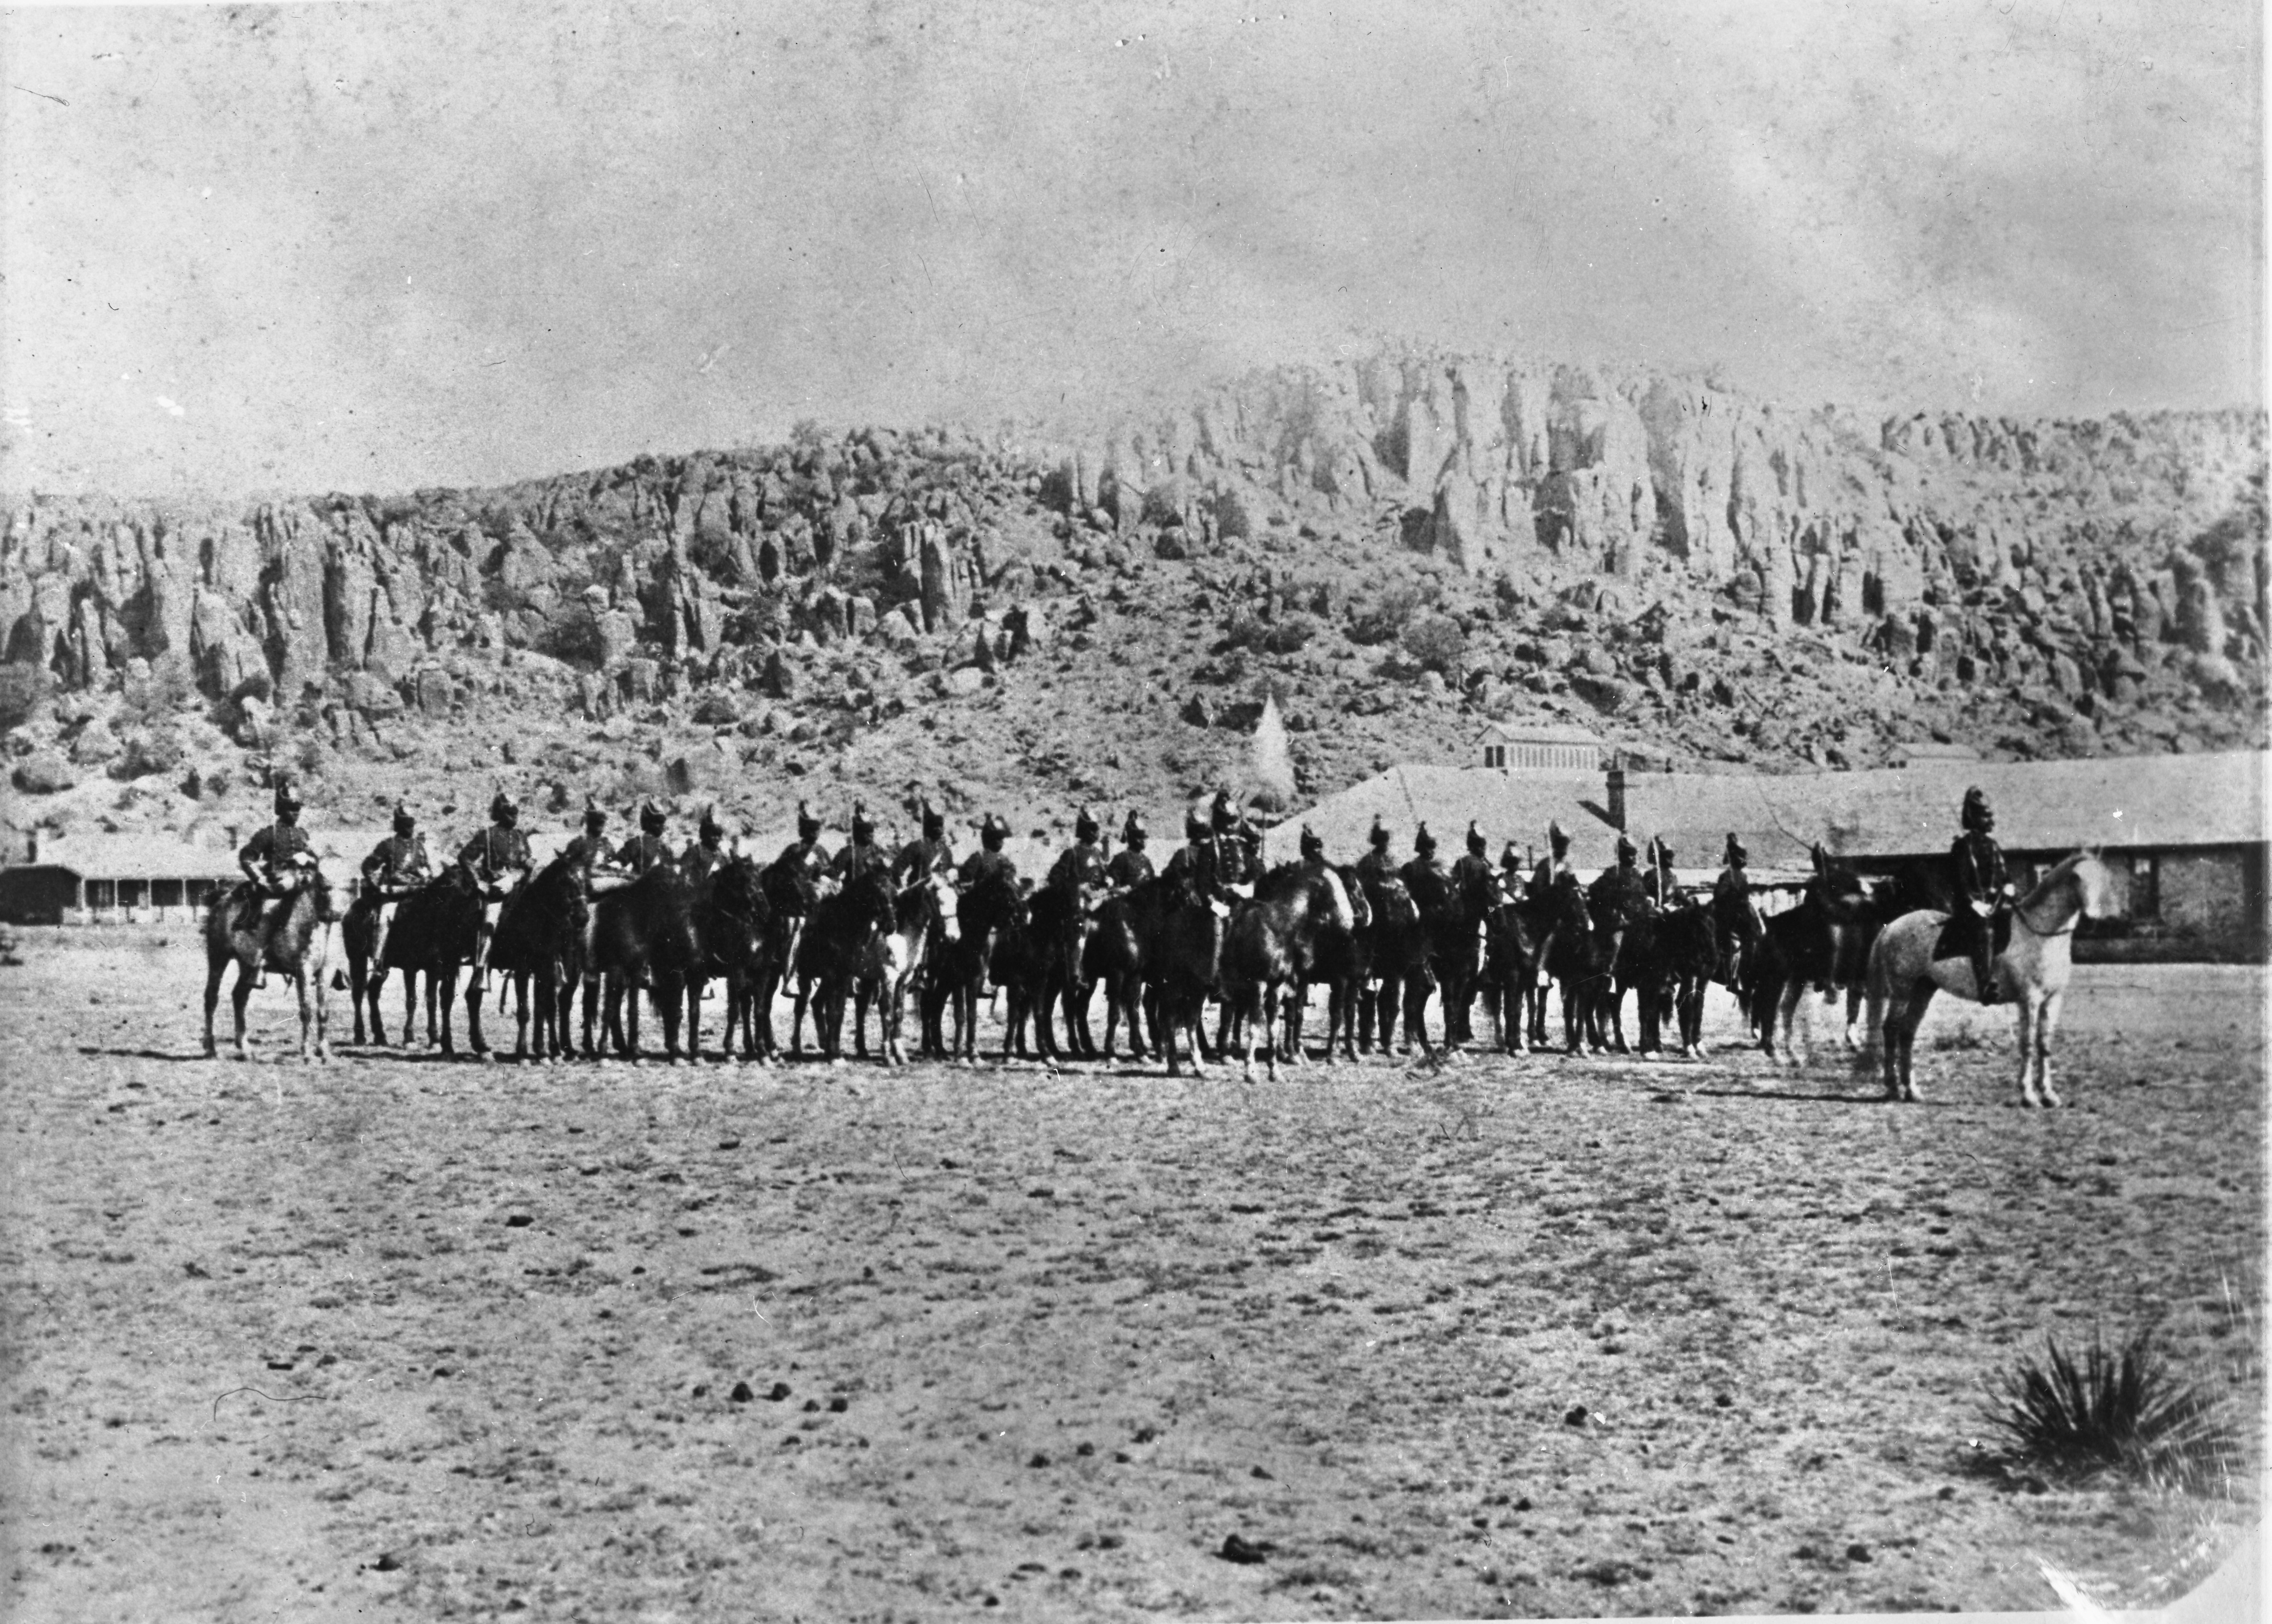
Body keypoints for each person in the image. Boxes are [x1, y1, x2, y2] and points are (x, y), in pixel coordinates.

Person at [236, 777, 315, 984]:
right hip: (276, 888)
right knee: (268, 914)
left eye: (298, 809)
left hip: (302, 885)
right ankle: (259, 962)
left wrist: (309, 860)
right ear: (281, 809)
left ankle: (331, 964)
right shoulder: (267, 834)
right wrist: (259, 879)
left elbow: (314, 858)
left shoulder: (302, 835)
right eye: (291, 809)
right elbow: (246, 857)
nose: (296, 813)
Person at [458, 790, 533, 984]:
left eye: (516, 812)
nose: (514, 816)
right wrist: (479, 883)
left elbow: (525, 861)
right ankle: (481, 970)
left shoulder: (520, 837)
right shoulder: (487, 835)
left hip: (519, 885)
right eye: (510, 812)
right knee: (490, 922)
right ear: (500, 813)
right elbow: (465, 858)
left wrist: (528, 865)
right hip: (496, 889)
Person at [1952, 786, 2011, 1004]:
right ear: (1973, 818)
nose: (1990, 820)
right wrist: (1974, 903)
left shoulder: (1993, 846)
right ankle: (1985, 985)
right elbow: (1960, 881)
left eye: (1990, 815)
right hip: (1970, 908)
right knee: (1984, 930)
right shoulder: (1962, 847)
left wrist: (2009, 887)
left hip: (1994, 904)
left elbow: (2004, 875)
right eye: (1985, 816)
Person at [1587, 833, 1652, 977]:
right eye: (1630, 854)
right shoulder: (1612, 873)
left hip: (1638, 919)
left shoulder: (1637, 875)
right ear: (1622, 854)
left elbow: (1642, 895)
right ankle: (1611, 967)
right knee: (1618, 941)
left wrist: (1648, 903)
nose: (1634, 858)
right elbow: (1594, 890)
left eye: (1635, 854)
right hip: (1619, 921)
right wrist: (1612, 906)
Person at [1712, 833, 1762, 985]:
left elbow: (1747, 896)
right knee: (1732, 945)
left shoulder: (1743, 876)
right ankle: (1729, 976)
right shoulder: (1727, 876)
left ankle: (1750, 972)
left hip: (1743, 915)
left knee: (1757, 935)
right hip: (1727, 916)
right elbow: (1718, 896)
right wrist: (1732, 895)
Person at [1159, 809, 1221, 909]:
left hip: (1207, 901)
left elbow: (1214, 878)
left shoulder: (1208, 852)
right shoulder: (1185, 854)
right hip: (1191, 906)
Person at [1046, 805, 1109, 897]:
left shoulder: (1096, 851)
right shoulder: (1073, 853)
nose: (1097, 833)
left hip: (1095, 896)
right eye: (1094, 830)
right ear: (1086, 830)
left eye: (1097, 830)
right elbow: (1055, 876)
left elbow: (1101, 872)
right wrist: (1073, 889)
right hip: (1078, 897)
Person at [892, 799, 955, 886]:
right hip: (919, 889)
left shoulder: (946, 851)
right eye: (935, 826)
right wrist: (900, 887)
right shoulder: (917, 846)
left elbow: (951, 872)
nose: (939, 829)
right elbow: (897, 868)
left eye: (941, 826)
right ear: (929, 828)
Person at [958, 813, 1018, 892]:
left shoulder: (1004, 859)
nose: (1000, 842)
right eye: (996, 839)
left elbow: (1012, 881)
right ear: (988, 839)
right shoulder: (979, 857)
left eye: (1001, 839)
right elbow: (965, 880)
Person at [831, 802, 887, 884]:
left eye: (871, 832)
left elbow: (886, 871)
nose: (870, 835)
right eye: (866, 833)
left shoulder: (877, 849)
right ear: (860, 833)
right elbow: (833, 874)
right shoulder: (850, 852)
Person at [616, 801, 674, 876]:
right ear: (649, 823)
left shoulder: (665, 848)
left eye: (663, 823)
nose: (662, 826)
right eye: (658, 822)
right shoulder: (637, 843)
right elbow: (618, 861)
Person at [1106, 811, 1155, 891]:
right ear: (1132, 837)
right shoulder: (1121, 859)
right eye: (1140, 837)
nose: (1143, 841)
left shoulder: (1146, 861)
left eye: (1144, 838)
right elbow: (1112, 887)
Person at [679, 805, 727, 886]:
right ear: (706, 835)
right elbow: (683, 872)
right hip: (693, 889)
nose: (717, 838)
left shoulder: (719, 853)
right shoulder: (696, 851)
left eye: (719, 835)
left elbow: (727, 869)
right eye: (713, 835)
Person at [1528, 820, 1575, 902]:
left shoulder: (1566, 865)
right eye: (1562, 846)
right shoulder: (1545, 865)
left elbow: (1573, 885)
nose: (1564, 850)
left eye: (1564, 846)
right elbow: (1538, 889)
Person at [1399, 822, 1445, 901]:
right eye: (1430, 849)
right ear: (1424, 849)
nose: (1433, 852)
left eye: (1433, 849)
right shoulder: (1411, 867)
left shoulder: (1436, 865)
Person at [1451, 819, 1496, 898]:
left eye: (1484, 847)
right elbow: (1489, 887)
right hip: (1480, 901)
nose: (1484, 849)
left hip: (1465, 900)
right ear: (1474, 847)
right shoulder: (1484, 865)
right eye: (1482, 847)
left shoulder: (1461, 862)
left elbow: (1453, 882)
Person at [1641, 838, 1681, 910]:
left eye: (1672, 855)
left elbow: (1678, 893)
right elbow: (1644, 896)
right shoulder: (1651, 875)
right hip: (1658, 913)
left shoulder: (1672, 876)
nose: (1672, 858)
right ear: (1661, 857)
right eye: (1669, 855)